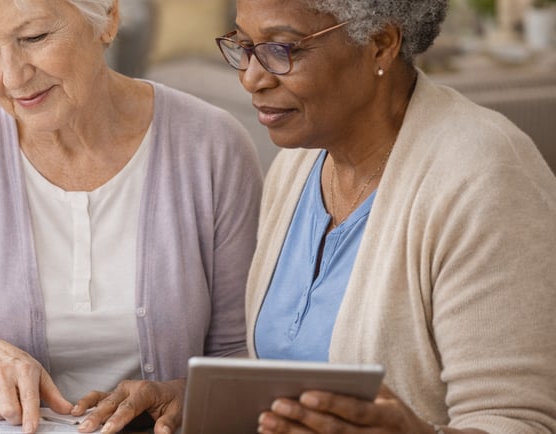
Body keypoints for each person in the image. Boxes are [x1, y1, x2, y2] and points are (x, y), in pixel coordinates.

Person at [0, 0, 263, 433]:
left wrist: (183, 394)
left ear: (107, 19)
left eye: (34, 38)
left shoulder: (214, 146)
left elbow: (240, 352)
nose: (12, 77)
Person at [215, 0, 556, 432]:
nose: (251, 77)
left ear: (380, 45)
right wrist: (192, 398)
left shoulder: (485, 178)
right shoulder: (298, 166)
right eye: (244, 45)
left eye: (283, 49)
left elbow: (519, 420)